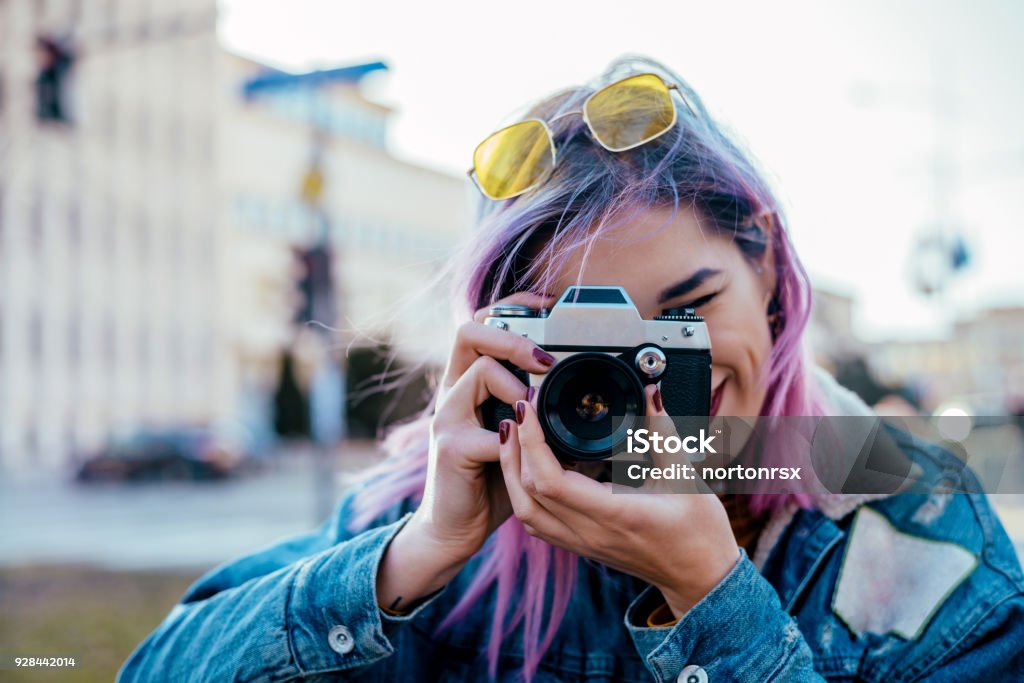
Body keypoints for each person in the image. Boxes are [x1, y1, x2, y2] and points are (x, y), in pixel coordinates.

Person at [119, 56, 1024, 682]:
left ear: (772, 279)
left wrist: (716, 598)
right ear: (503, 340)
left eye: (683, 315)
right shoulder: (446, 505)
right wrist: (418, 551)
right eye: (586, 344)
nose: (642, 384)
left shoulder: (910, 519)